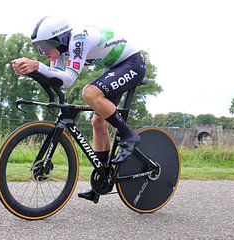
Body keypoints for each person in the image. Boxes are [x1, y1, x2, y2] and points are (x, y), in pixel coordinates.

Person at [11, 16, 146, 202]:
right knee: (98, 122)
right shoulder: (61, 50)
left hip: (132, 63)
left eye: (44, 46)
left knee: (90, 93)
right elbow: (58, 79)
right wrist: (32, 71)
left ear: (58, 39)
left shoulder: (78, 39)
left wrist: (37, 65)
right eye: (38, 48)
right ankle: (103, 178)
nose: (42, 52)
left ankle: (129, 136)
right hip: (115, 67)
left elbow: (69, 79)